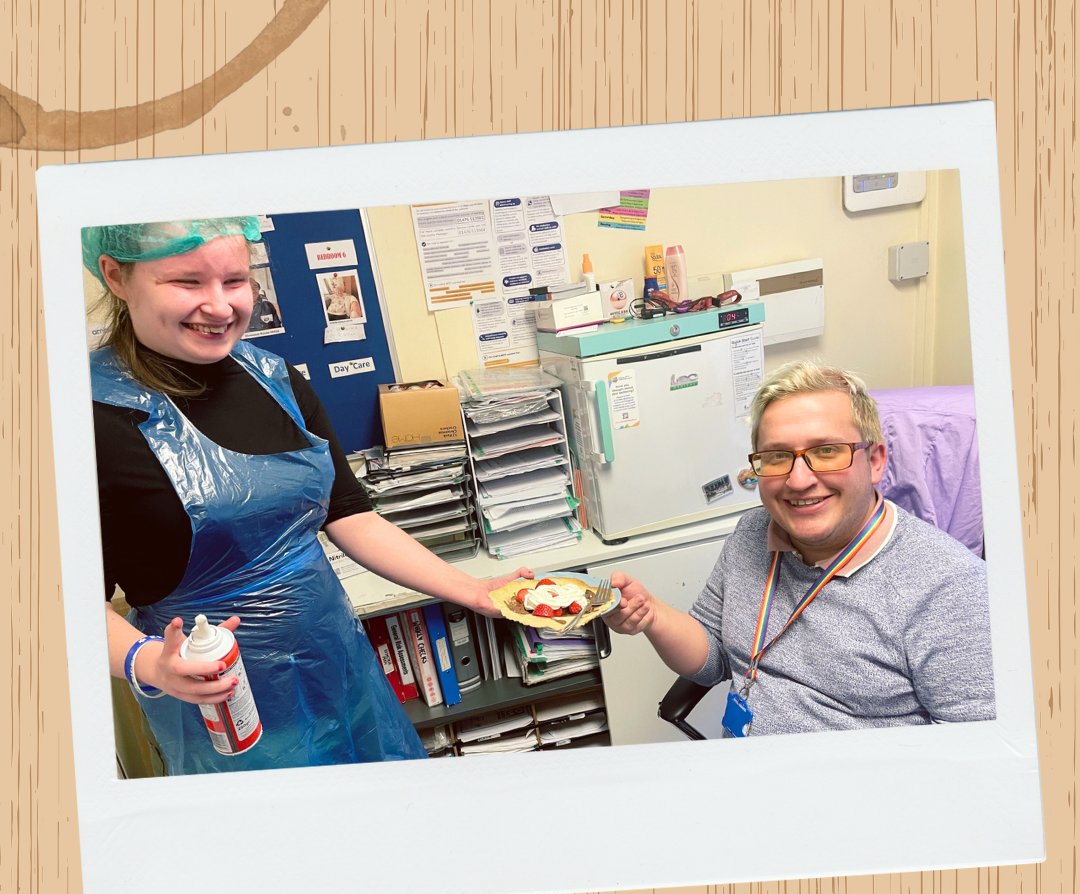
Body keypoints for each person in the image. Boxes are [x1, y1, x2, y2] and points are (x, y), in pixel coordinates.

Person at [86, 217, 530, 774]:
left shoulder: (275, 379)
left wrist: (474, 589)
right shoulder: (87, 419)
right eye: (187, 282)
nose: (221, 307)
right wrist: (148, 662)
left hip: (335, 664)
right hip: (223, 701)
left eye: (235, 280)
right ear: (116, 276)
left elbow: (350, 516)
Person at [603, 360, 995, 736]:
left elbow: (978, 758)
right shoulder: (753, 533)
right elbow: (713, 660)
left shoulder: (951, 588)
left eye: (826, 451)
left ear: (875, 461)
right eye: (777, 457)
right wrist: (652, 616)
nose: (799, 480)